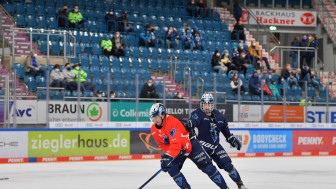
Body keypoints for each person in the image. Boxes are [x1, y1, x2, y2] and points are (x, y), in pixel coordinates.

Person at [149, 103, 229, 189]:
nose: (154, 120)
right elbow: (162, 145)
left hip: (190, 143)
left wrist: (169, 156)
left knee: (208, 167)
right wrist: (167, 158)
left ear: (163, 115)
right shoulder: (153, 129)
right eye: (152, 118)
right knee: (171, 168)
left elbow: (176, 144)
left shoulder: (172, 122)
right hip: (178, 149)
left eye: (156, 117)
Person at [184, 93, 248, 189]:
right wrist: (190, 124)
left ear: (212, 104)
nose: (207, 106)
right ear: (201, 104)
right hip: (202, 148)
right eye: (204, 104)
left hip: (216, 147)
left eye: (209, 104)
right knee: (210, 170)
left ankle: (240, 184)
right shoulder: (197, 114)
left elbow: (227, 133)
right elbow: (193, 121)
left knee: (228, 166)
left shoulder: (220, 117)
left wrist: (232, 139)